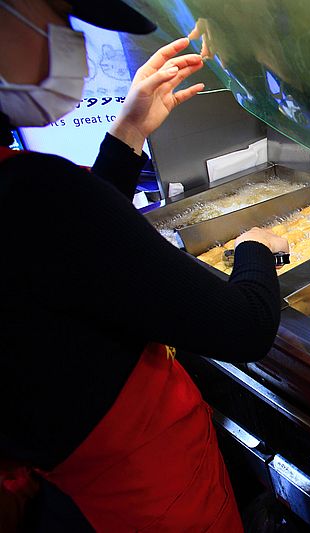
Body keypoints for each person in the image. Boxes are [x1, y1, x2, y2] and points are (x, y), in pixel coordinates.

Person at [0, 0, 289, 531]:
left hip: (74, 486)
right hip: (150, 496)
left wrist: (130, 129)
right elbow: (243, 326)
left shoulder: (24, 192)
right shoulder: (29, 191)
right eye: (58, 18)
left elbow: (59, 254)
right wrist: (255, 248)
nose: (73, 46)